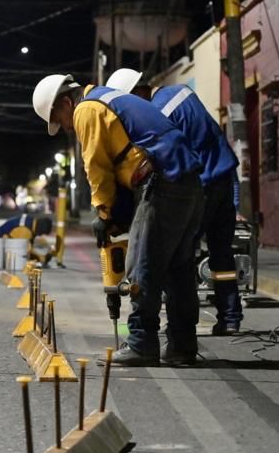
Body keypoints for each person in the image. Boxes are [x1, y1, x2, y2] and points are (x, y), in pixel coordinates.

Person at [32, 73, 204, 366]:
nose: (66, 129)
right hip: (187, 183)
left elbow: (96, 168)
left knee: (142, 266)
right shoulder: (109, 98)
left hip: (161, 184)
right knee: (179, 270)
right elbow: (127, 154)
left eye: (61, 120)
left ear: (65, 102)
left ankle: (141, 344)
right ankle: (182, 346)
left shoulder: (87, 108)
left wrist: (103, 213)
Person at [106, 68, 245, 335]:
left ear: (138, 93)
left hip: (199, 186)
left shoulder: (159, 113)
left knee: (178, 256)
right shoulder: (182, 92)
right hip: (224, 179)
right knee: (222, 254)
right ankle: (230, 318)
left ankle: (178, 330)